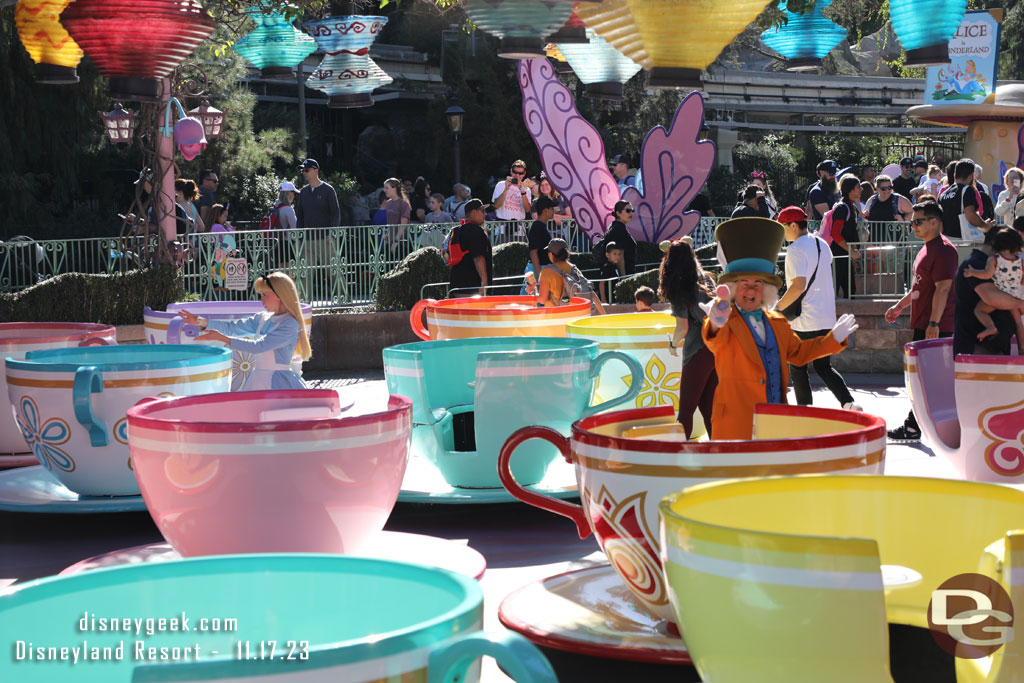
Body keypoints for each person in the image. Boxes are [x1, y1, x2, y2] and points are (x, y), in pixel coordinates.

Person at [701, 217, 858, 440]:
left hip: (773, 422)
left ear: (766, 290)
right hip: (736, 424)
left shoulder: (777, 322)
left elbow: (799, 354)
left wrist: (833, 339)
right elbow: (714, 340)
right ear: (734, 289)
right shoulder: (727, 320)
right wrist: (717, 319)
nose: (751, 291)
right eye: (745, 284)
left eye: (758, 285)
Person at [884, 200, 959, 442]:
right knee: (925, 380)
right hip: (925, 324)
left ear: (934, 221)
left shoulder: (944, 250)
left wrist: (934, 325)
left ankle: (915, 426)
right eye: (912, 222)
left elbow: (944, 288)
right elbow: (919, 287)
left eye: (918, 222)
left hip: (937, 326)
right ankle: (916, 425)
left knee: (928, 381)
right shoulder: (925, 248)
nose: (913, 226)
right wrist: (899, 306)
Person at [776, 206, 860, 411]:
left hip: (805, 319)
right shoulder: (823, 244)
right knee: (823, 366)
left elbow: (798, 286)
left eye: (783, 227)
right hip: (826, 316)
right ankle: (848, 403)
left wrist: (777, 309)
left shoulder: (795, 249)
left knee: (797, 367)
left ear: (793, 225)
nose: (782, 233)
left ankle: (805, 411)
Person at [179, 272, 311, 390]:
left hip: (278, 383)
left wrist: (223, 339)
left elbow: (260, 346)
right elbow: (233, 328)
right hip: (258, 379)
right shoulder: (262, 318)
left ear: (279, 296)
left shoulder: (290, 324)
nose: (261, 300)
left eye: (265, 295)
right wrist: (202, 321)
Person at [660, 238, 717, 438]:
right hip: (717, 348)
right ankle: (723, 454)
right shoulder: (707, 280)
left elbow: (682, 328)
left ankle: (676, 459)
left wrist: (672, 345)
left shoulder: (680, 286)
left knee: (685, 411)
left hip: (697, 351)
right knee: (709, 410)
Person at [953, 227, 1022, 356]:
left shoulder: (1000, 267)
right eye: (1011, 252)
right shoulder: (976, 263)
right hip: (976, 348)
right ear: (996, 246)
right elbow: (991, 298)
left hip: (993, 348)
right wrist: (1021, 303)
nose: (1013, 257)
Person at [537, 238, 605, 314]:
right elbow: (590, 291)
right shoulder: (574, 269)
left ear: (550, 254)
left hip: (555, 318)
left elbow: (542, 299)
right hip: (573, 317)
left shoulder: (546, 272)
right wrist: (604, 314)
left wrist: (532, 294)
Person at [938, 158, 994, 240]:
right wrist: (985, 226)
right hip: (963, 241)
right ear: (971, 176)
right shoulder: (968, 190)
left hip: (946, 241)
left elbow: (940, 222)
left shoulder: (943, 194)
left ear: (954, 175)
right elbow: (970, 215)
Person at [448, 199, 492, 296]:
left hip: (457, 286)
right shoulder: (475, 231)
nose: (485, 214)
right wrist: (484, 281)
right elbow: (478, 258)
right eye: (482, 211)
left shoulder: (460, 229)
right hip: (472, 288)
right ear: (474, 212)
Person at [829, 174, 862, 298]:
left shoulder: (850, 206)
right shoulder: (842, 208)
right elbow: (835, 234)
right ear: (851, 190)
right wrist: (851, 251)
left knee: (850, 291)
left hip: (845, 256)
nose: (861, 189)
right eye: (859, 187)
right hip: (838, 256)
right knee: (834, 290)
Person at [295, 159, 341, 230]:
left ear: (316, 171)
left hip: (326, 238)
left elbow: (335, 214)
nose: (304, 173)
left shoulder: (328, 190)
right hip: (307, 239)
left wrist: (332, 234)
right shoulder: (303, 191)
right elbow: (300, 216)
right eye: (302, 171)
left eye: (306, 170)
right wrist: (299, 237)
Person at [492, 160, 533, 237]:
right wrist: (506, 189)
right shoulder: (501, 185)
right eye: (515, 172)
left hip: (519, 231)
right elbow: (496, 206)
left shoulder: (526, 189)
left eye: (520, 173)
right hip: (502, 230)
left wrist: (523, 192)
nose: (517, 175)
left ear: (524, 174)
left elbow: (528, 210)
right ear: (511, 171)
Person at [604, 201, 638, 275]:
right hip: (623, 274)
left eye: (632, 211)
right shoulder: (619, 229)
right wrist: (624, 279)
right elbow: (620, 256)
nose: (631, 213)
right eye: (628, 211)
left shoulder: (615, 226)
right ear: (618, 213)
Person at [526, 196, 555, 284]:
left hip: (542, 268)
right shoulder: (537, 226)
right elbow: (533, 252)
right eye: (552, 209)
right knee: (528, 297)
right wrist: (539, 276)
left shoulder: (541, 226)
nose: (554, 211)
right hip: (536, 270)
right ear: (545, 210)